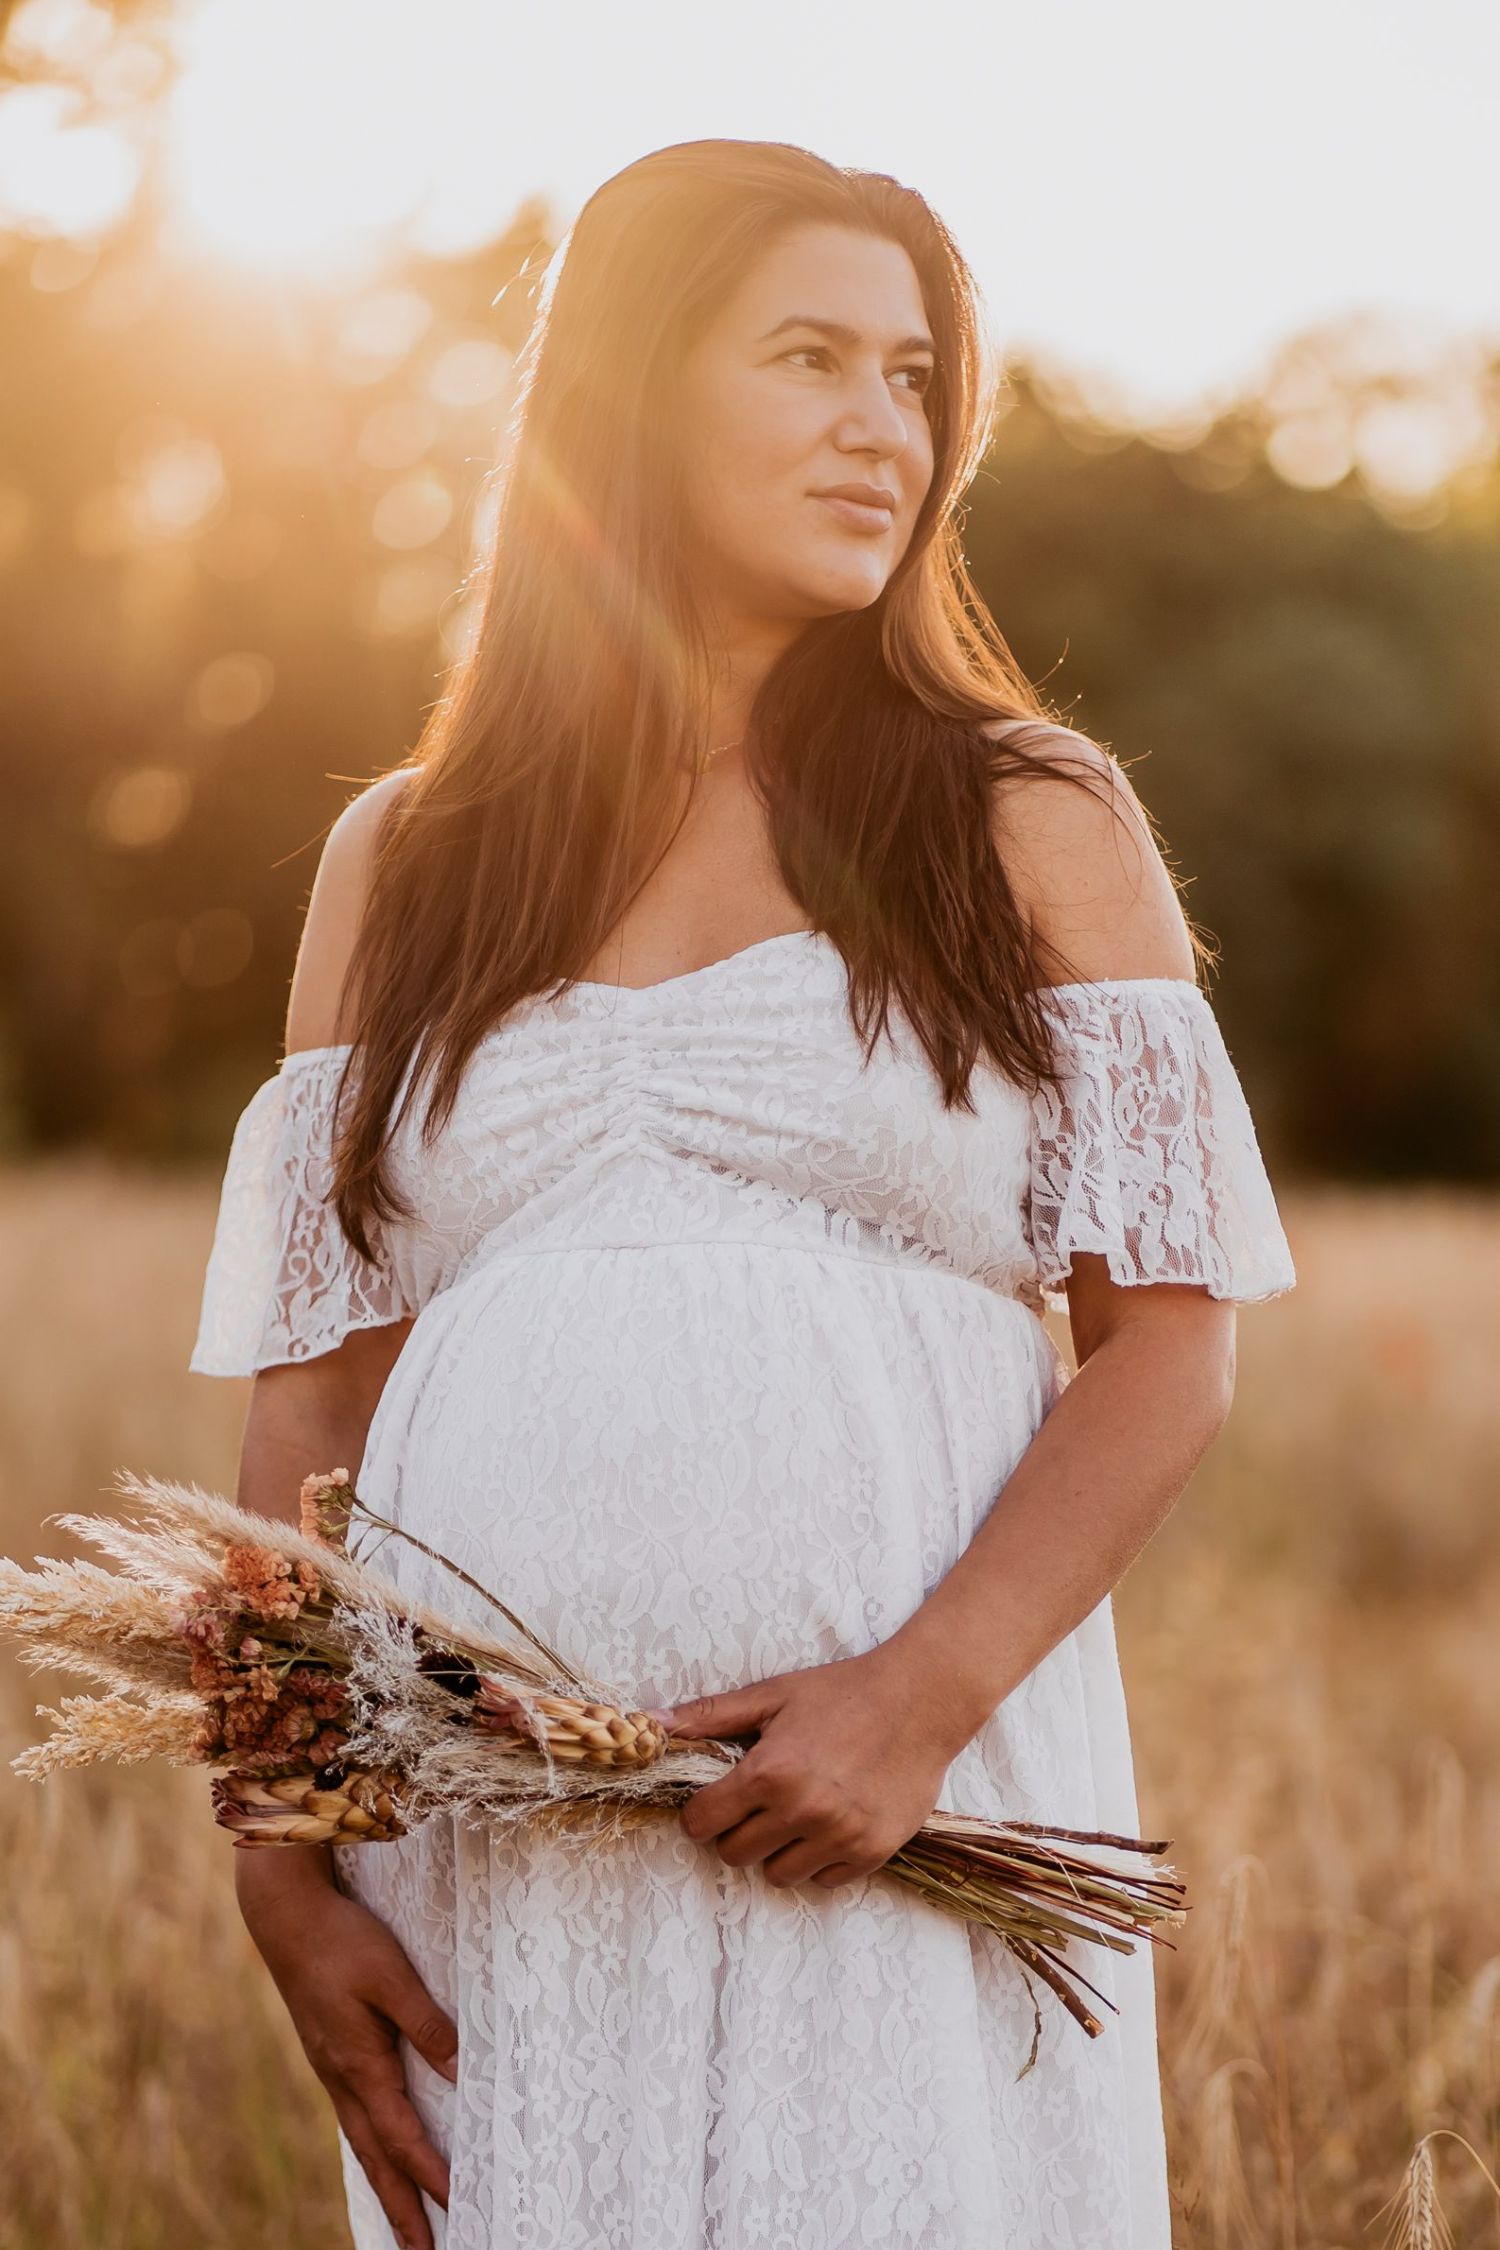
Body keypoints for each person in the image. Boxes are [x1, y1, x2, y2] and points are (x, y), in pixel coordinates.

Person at [188, 139, 1297, 2250]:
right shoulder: (403, 862)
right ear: (627, 389)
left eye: (913, 377)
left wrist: (920, 1700)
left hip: (902, 1801)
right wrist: (280, 1846)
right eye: (810, 359)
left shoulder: (1023, 812)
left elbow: (1164, 1345)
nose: (884, 427)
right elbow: (308, 1415)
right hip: (489, 1845)